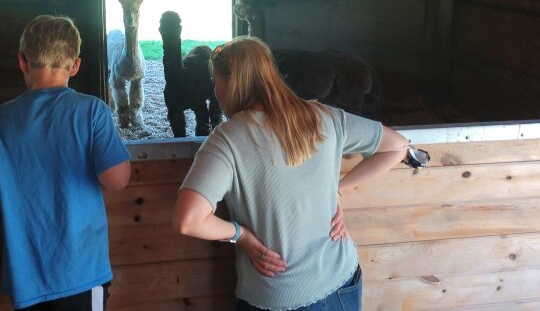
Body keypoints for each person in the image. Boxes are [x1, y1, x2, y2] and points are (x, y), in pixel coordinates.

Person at [173, 36, 410, 311]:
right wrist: (337, 188)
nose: (215, 91)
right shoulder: (324, 116)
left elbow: (187, 220)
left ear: (232, 82)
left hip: (277, 294)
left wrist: (242, 235)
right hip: (343, 282)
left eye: (215, 82)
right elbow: (398, 146)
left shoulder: (226, 140)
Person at [0, 15, 131, 311]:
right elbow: (117, 179)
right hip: (82, 270)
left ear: (22, 61)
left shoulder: (2, 118)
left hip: (27, 276)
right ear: (76, 65)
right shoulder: (93, 111)